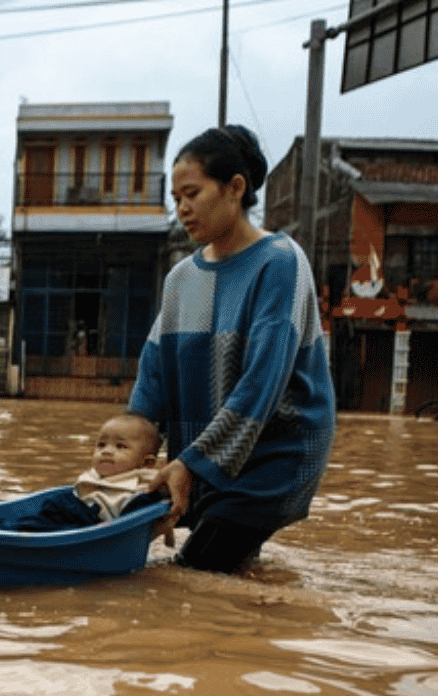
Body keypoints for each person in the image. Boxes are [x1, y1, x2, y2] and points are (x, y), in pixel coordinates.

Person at [129, 125, 337, 574]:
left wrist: (190, 464)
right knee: (228, 572)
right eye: (176, 198)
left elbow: (263, 382)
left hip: (277, 450)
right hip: (211, 454)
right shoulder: (181, 279)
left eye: (192, 193)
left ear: (235, 188)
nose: (182, 209)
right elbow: (154, 378)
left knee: (191, 572)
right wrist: (126, 455)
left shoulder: (279, 261)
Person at [0, 415, 170, 535]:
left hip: (85, 528)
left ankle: (4, 531)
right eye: (101, 445)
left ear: (146, 463)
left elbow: (133, 527)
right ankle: (2, 527)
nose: (106, 451)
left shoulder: (140, 491)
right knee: (42, 513)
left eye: (120, 447)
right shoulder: (98, 478)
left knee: (36, 527)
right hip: (63, 512)